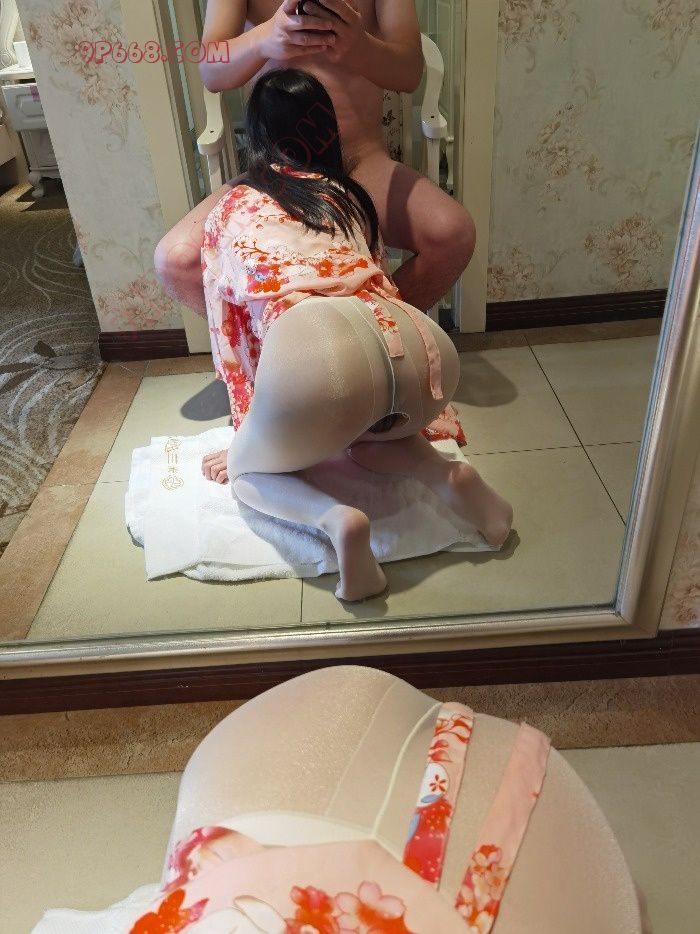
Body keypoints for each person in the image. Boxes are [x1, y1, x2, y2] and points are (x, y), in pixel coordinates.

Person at [168, 67, 512, 604]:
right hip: (418, 346)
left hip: (317, 354)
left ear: (256, 135)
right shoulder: (348, 196)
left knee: (248, 472)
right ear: (328, 128)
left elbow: (234, 335)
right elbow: (382, 284)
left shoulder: (231, 208)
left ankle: (336, 521)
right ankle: (444, 476)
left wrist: (251, 430)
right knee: (368, 439)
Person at [154, 0, 475, 319]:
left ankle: (371, 331)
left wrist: (359, 47)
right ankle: (277, 344)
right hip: (277, 174)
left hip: (360, 163)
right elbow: (211, 71)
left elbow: (409, 73)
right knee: (178, 261)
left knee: (452, 236)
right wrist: (266, 38)